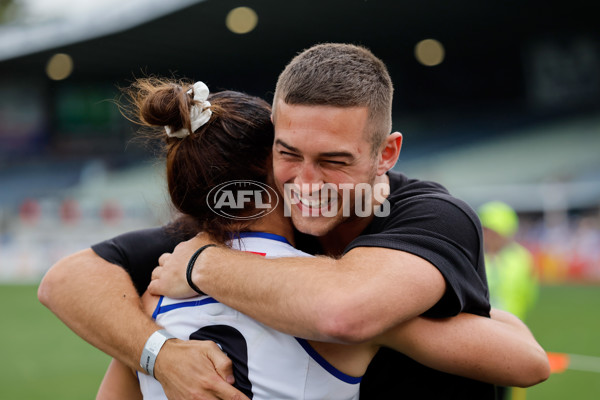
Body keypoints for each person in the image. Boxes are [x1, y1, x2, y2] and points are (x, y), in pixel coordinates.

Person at [38, 43, 549, 400]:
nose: (305, 183)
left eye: (334, 160)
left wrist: (201, 272)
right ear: (264, 161)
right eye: (288, 154)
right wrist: (161, 355)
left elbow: (342, 310)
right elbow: (65, 280)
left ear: (386, 153)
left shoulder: (431, 218)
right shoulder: (215, 247)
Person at [478, 201, 540, 400]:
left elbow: (527, 293)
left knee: (506, 386)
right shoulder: (471, 256)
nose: (489, 236)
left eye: (494, 231)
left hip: (510, 332)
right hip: (478, 332)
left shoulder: (522, 259)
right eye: (485, 230)